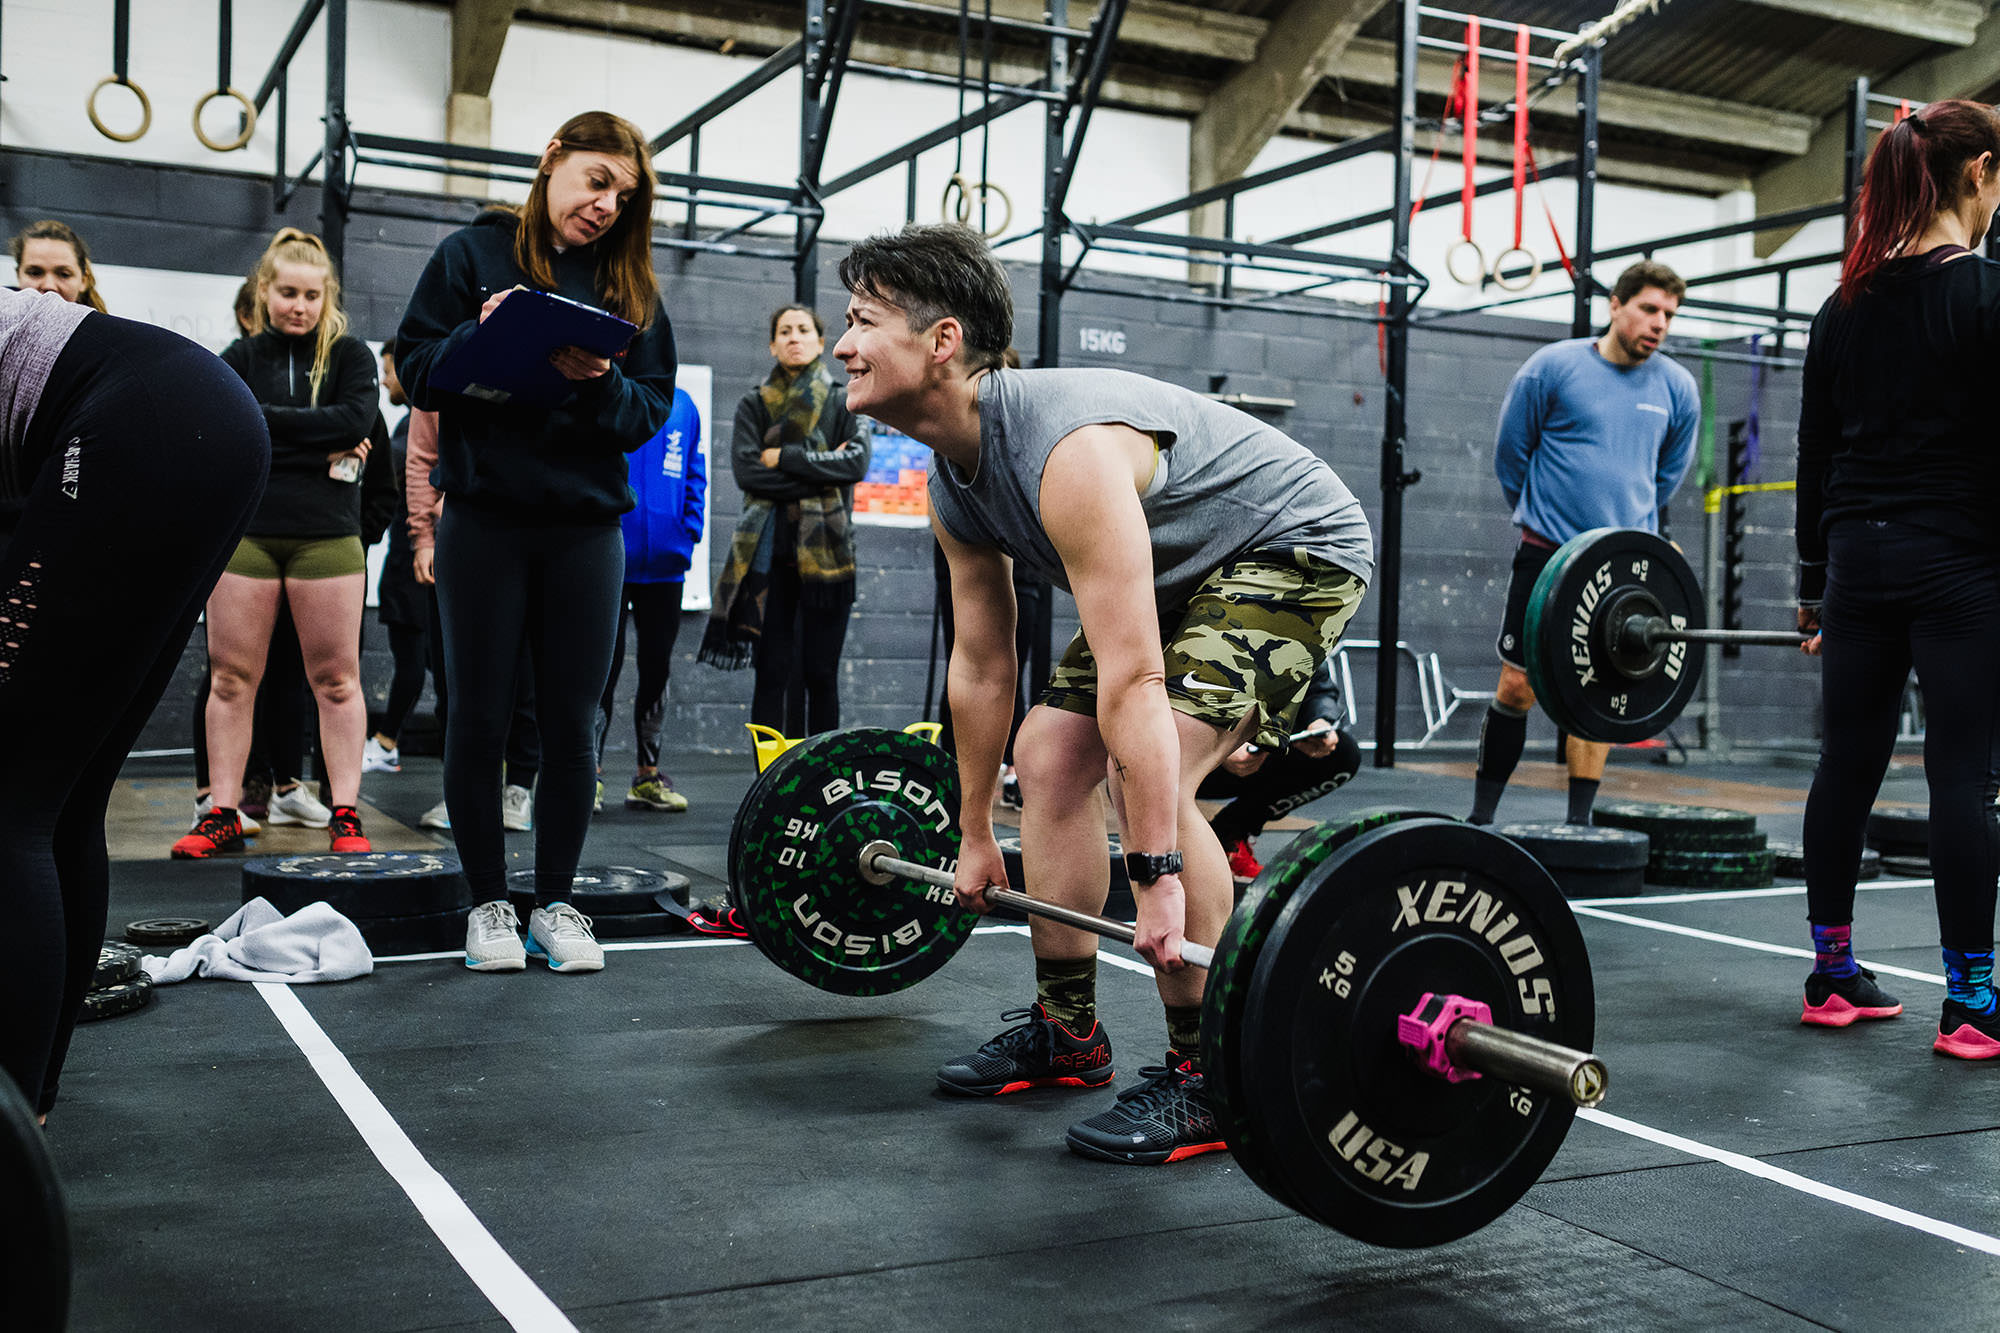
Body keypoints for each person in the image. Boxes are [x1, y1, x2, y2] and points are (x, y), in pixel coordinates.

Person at [834, 223, 1372, 1165]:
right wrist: (970, 830)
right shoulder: (955, 485)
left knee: (1148, 767)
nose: (843, 344)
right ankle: (1069, 1028)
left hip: (1290, 547)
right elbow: (982, 666)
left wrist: (1154, 874)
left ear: (942, 341)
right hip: (1180, 570)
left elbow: (1133, 680)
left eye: (862, 321)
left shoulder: (1065, 450)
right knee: (1046, 755)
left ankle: (1211, 1074)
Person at [396, 110, 678, 975]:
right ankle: (487, 903)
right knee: (476, 720)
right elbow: (414, 367)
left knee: (571, 726)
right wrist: (486, 334)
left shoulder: (631, 290)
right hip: (484, 520)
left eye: (622, 197)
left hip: (587, 531)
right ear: (552, 159)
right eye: (597, 181)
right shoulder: (468, 256)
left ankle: (555, 902)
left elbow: (648, 414)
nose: (605, 206)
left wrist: (596, 381)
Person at [0, 284, 268, 1125]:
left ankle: (10, 1132)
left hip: (139, 423)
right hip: (200, 418)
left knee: (6, 804)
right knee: (63, 800)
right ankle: (30, 1114)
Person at [1793, 99, 2000, 1057]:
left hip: (1854, 565)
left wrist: (1809, 584)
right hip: (1956, 563)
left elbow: (1814, 457)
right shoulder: (1983, 293)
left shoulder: (1842, 306)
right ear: (1979, 175)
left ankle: (1832, 975)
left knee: (1848, 766)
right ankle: (1971, 1004)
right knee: (1960, 775)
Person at [1466, 259, 1700, 829]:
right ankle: (1480, 819)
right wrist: (1543, 516)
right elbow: (1511, 456)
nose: (1659, 323)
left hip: (1622, 563)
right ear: (1616, 305)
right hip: (1547, 550)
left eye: (1669, 314)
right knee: (1518, 684)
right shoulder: (1552, 368)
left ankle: (1580, 825)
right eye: (1649, 309)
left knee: (1597, 691)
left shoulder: (1677, 387)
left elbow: (1667, 476)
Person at [174, 228, 377, 858]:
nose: (299, 305)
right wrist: (316, 442)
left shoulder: (350, 358)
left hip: (328, 537)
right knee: (232, 679)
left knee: (337, 680)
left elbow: (356, 419)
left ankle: (346, 813)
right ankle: (223, 812)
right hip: (250, 534)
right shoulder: (237, 359)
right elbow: (228, 426)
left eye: (311, 295)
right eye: (287, 292)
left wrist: (271, 426)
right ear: (265, 292)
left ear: (327, 297)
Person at [699, 304, 869, 737]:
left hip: (828, 564)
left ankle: (822, 772)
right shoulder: (754, 404)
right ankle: (768, 781)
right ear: (772, 345)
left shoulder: (841, 399)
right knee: (771, 673)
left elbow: (856, 463)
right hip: (768, 563)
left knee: (821, 675)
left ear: (820, 341)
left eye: (803, 329)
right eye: (785, 331)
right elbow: (747, 473)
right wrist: (817, 474)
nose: (795, 337)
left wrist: (788, 459)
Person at [596, 384, 705, 811]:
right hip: (608, 553)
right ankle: (593, 775)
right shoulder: (611, 393)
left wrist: (687, 530)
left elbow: (694, 470)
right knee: (602, 667)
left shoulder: (682, 404)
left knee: (656, 666)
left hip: (665, 563)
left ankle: (647, 776)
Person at [1196, 659, 1361, 882]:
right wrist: (1217, 743)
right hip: (1181, 756)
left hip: (1250, 752)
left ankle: (1228, 836)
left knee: (1341, 754)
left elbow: (1316, 686)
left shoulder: (1290, 630)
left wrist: (1318, 719)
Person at [363, 340, 431, 776]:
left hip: (417, 564)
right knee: (413, 656)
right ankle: (386, 741)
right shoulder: (407, 426)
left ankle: (386, 741)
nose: (386, 379)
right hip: (405, 560)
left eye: (389, 371)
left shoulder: (415, 430)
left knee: (415, 660)